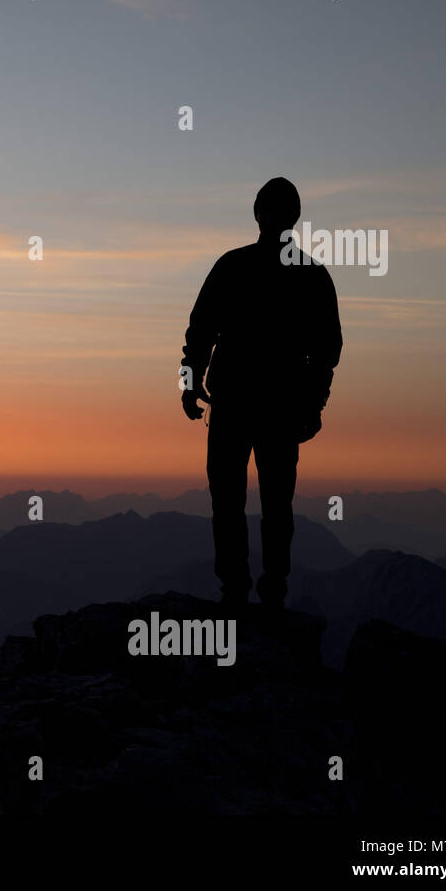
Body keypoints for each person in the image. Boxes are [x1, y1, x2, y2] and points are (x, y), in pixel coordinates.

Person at [180, 177, 342, 608]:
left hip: (255, 406)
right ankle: (254, 590)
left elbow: (200, 333)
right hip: (261, 407)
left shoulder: (234, 266)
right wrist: (190, 382)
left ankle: (255, 590)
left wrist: (190, 384)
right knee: (257, 504)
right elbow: (326, 350)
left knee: (253, 504)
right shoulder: (309, 275)